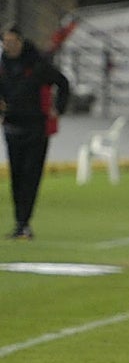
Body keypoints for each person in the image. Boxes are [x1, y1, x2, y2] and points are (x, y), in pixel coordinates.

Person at [0, 27, 69, 241]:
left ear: (20, 42)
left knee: (31, 175)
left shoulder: (37, 65)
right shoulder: (2, 67)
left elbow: (62, 82)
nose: (8, 46)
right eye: (5, 42)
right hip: (12, 126)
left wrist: (59, 108)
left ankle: (24, 222)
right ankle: (20, 222)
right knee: (17, 176)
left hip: (36, 127)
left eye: (12, 41)